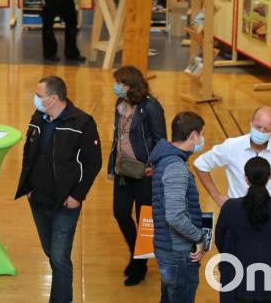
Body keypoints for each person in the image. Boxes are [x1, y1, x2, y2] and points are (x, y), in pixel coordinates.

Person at [15, 76, 102, 303]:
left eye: (39, 95)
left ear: (53, 99)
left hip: (65, 203)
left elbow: (93, 163)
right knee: (52, 253)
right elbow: (28, 152)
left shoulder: (83, 123)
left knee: (60, 258)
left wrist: (77, 195)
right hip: (38, 199)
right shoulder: (38, 117)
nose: (35, 98)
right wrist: (28, 186)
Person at [107, 66, 167, 286]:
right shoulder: (119, 104)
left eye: (121, 84)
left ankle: (139, 265)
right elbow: (118, 137)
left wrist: (154, 166)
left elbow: (161, 140)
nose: (117, 87)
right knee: (120, 212)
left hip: (145, 173)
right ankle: (135, 255)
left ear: (132, 85)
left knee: (144, 222)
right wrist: (111, 166)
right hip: (124, 169)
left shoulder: (151, 107)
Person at [215, 156, 271, 303]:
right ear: (269, 177)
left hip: (238, 279)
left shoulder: (230, 207)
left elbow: (219, 240)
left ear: (246, 178)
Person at [150, 111, 207, 303]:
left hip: (168, 248)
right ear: (192, 135)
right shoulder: (175, 167)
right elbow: (174, 215)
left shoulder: (167, 160)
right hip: (178, 252)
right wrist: (198, 237)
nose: (202, 140)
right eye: (201, 134)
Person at [194, 106, 271, 207]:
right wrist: (217, 198)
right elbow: (201, 164)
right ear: (251, 123)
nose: (261, 132)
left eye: (267, 130)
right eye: (258, 127)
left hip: (270, 215)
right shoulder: (232, 146)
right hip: (238, 213)